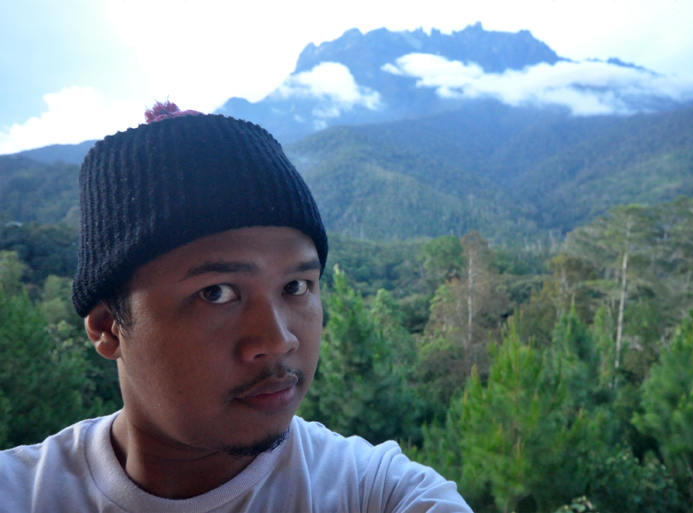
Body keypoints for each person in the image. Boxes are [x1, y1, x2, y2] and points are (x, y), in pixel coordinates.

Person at [0, 103, 472, 512]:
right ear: (108, 328)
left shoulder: (376, 493)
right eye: (217, 293)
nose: (278, 338)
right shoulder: (19, 494)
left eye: (296, 286)